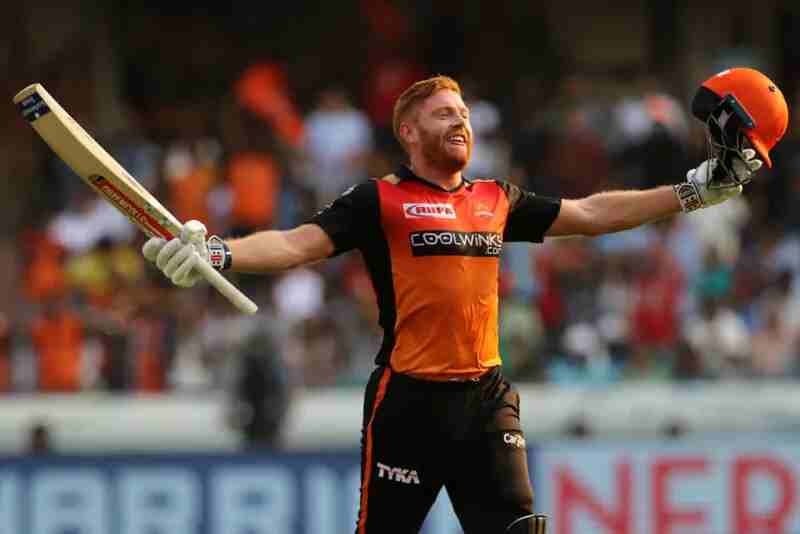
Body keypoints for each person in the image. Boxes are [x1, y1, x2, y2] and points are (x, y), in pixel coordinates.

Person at [141, 70, 785, 534]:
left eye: (466, 115)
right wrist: (218, 252)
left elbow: (592, 213)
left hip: (485, 400)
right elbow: (294, 244)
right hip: (406, 404)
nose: (461, 122)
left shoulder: (496, 199)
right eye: (445, 113)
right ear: (407, 131)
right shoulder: (377, 199)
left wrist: (693, 191)